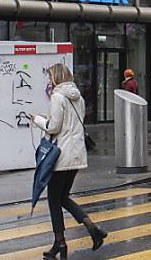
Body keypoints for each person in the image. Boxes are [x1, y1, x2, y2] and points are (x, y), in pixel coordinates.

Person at [31, 63, 107, 259]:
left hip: (61, 156)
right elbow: (69, 124)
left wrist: (38, 120)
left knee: (54, 199)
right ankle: (91, 228)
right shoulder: (78, 97)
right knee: (62, 197)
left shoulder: (57, 97)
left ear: (56, 77)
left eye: (50, 77)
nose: (49, 81)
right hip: (76, 155)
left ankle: (62, 242)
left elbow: (54, 127)